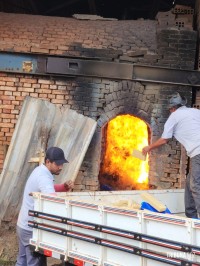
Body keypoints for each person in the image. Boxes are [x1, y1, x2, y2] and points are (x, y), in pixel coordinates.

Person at [142, 92, 200, 219]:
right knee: (191, 182)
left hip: (198, 153)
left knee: (195, 185)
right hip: (197, 153)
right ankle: (191, 217)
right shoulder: (195, 112)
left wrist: (148, 148)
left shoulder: (173, 117)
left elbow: (164, 139)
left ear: (172, 108)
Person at [15, 146, 74, 266]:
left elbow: (46, 189)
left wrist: (63, 187)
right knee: (35, 263)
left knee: (22, 262)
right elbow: (52, 200)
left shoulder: (40, 171)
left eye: (62, 164)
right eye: (58, 164)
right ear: (48, 161)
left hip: (23, 225)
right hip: (31, 229)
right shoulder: (43, 176)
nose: (61, 167)